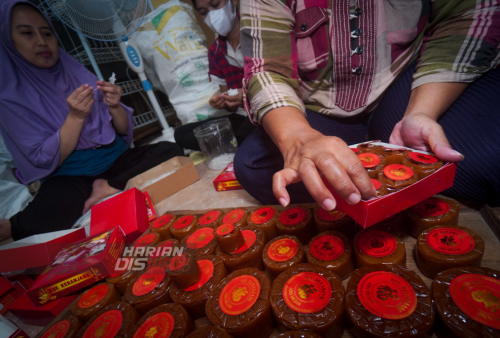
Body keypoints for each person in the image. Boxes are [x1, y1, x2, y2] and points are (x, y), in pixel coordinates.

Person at [235, 0, 500, 209]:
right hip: (320, 105)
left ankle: (381, 137)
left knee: (485, 163)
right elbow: (266, 68)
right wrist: (298, 139)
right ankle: (369, 149)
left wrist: (422, 111)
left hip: (408, 88)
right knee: (254, 168)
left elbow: (466, 17)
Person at [0, 0, 184, 241]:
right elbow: (42, 158)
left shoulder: (76, 73)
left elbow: (120, 130)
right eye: (26, 33)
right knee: (40, 223)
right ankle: (8, 227)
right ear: (7, 39)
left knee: (170, 151)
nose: (41, 41)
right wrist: (75, 118)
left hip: (114, 158)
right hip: (70, 174)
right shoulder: (11, 99)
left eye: (47, 33)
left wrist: (115, 106)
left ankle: (108, 187)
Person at [174, 0, 255, 151]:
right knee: (182, 134)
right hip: (242, 116)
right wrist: (224, 101)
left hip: (267, 107)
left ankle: (240, 144)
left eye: (216, 4)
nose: (212, 15)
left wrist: (247, 95)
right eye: (204, 12)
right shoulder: (215, 52)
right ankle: (245, 143)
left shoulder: (257, 31)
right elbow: (230, 106)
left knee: (250, 128)